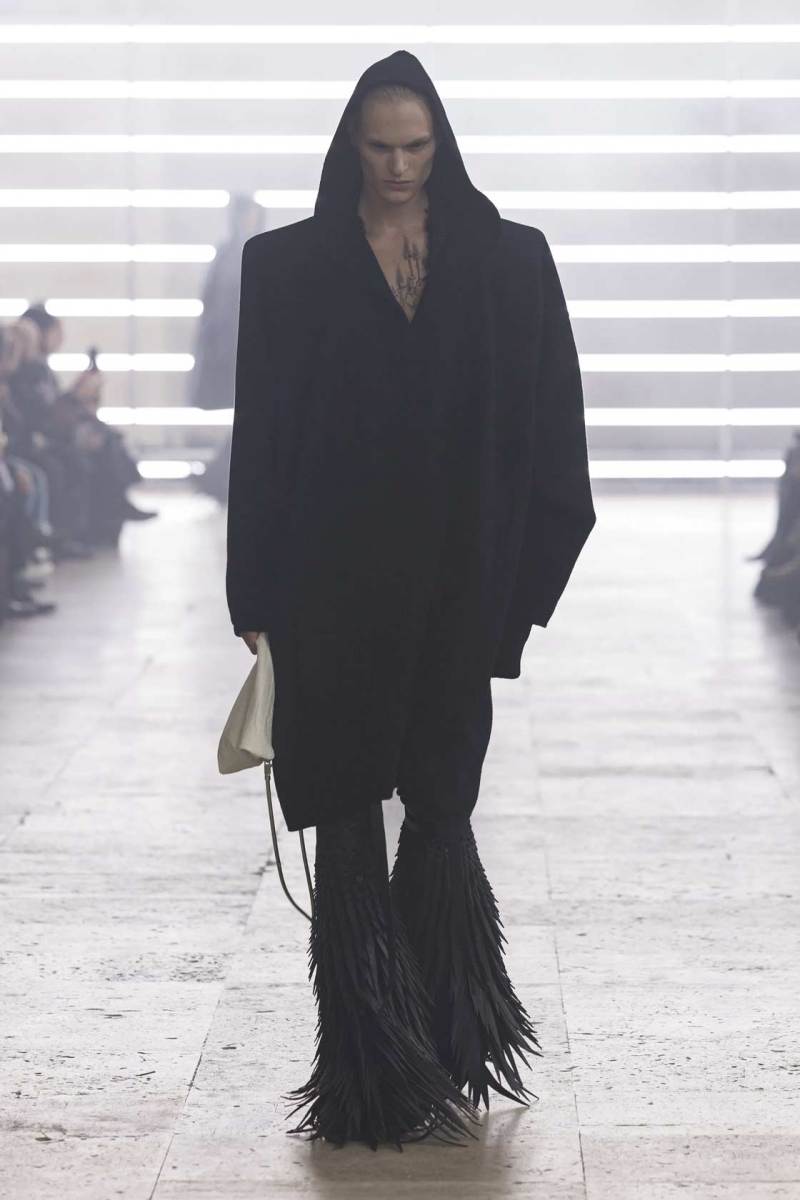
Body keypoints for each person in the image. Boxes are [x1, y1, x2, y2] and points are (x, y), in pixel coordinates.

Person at [225, 51, 596, 1150]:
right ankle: (371, 1073)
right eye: (380, 147)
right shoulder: (286, 268)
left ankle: (449, 1039)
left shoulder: (509, 261)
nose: (397, 167)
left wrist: (518, 596)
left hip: (454, 581)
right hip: (326, 581)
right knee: (344, 809)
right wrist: (254, 593)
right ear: (351, 144)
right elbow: (262, 439)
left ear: (443, 145)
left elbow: (556, 431)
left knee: (440, 802)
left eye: (416, 147)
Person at [189, 194, 265, 503]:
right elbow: (215, 306)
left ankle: (219, 478)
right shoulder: (230, 254)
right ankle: (220, 479)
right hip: (232, 348)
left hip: (247, 346)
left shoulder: (255, 251)